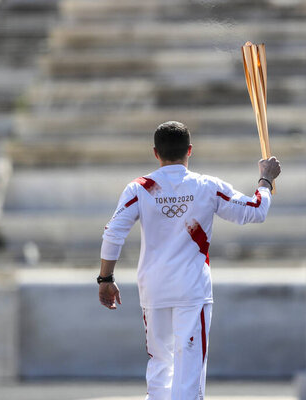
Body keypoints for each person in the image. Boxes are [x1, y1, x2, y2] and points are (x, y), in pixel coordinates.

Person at [97, 121, 281, 400]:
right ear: (190, 151)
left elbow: (113, 233)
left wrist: (106, 279)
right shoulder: (206, 186)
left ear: (155, 152)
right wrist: (265, 180)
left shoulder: (140, 188)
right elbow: (255, 211)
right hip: (191, 291)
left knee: (159, 367)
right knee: (188, 373)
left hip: (154, 289)